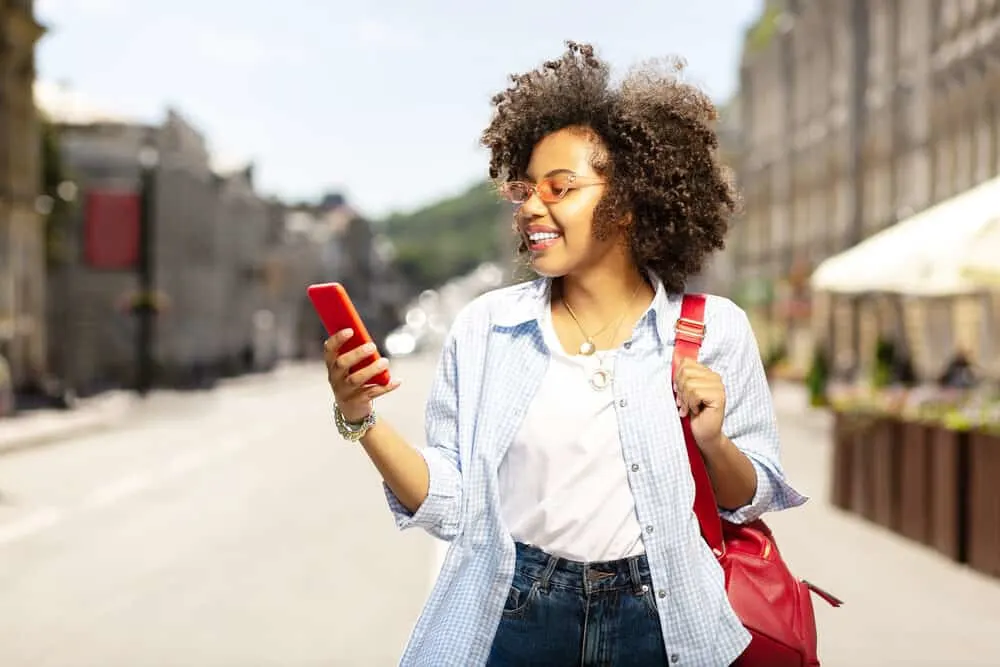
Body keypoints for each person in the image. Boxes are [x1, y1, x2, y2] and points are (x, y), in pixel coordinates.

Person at [324, 42, 806, 667]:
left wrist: (715, 441)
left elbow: (751, 496)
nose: (531, 207)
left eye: (560, 187)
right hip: (519, 614)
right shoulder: (486, 330)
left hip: (661, 619)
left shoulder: (715, 330)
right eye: (525, 190)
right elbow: (450, 505)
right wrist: (360, 416)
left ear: (629, 201)